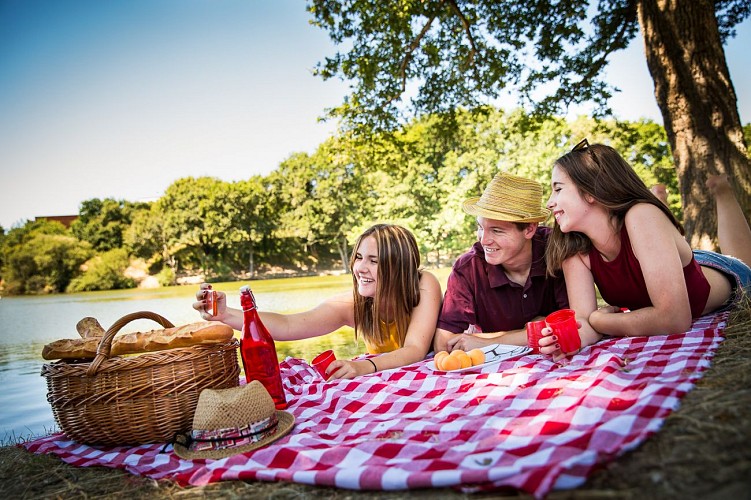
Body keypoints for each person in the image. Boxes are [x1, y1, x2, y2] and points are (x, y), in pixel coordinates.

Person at [543, 139, 751, 359]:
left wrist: (600, 321)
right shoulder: (572, 247)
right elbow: (583, 322)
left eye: (558, 189)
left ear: (591, 190)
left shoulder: (641, 215)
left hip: (727, 273)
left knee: (743, 260)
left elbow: (674, 320)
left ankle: (723, 190)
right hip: (665, 259)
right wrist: (567, 342)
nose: (549, 202)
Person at [193, 224, 442, 380]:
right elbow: (288, 325)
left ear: (398, 267)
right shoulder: (354, 306)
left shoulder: (422, 285)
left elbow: (414, 350)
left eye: (374, 261)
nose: (361, 268)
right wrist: (225, 315)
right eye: (358, 258)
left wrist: (363, 367)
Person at [433, 172, 569, 353]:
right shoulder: (468, 268)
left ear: (529, 229)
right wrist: (533, 329)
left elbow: (575, 324)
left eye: (496, 231)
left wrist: (488, 340)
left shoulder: (558, 250)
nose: (484, 240)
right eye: (480, 228)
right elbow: (444, 344)